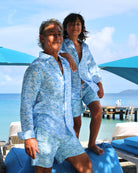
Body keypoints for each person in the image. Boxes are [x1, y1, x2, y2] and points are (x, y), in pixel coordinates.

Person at [18, 19, 92, 173]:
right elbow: (26, 103)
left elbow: (71, 95)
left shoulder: (66, 63)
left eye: (59, 34)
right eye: (52, 34)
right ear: (42, 38)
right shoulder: (37, 67)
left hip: (65, 131)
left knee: (86, 166)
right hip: (45, 132)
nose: (57, 38)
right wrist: (29, 137)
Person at [60, 13, 104, 155]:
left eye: (78, 24)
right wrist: (65, 55)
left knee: (97, 110)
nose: (75, 26)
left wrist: (99, 83)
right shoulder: (61, 45)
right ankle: (75, 149)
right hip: (71, 89)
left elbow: (92, 66)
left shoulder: (85, 46)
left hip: (87, 85)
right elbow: (52, 55)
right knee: (76, 123)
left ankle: (92, 144)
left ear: (82, 27)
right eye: (72, 24)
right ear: (66, 28)